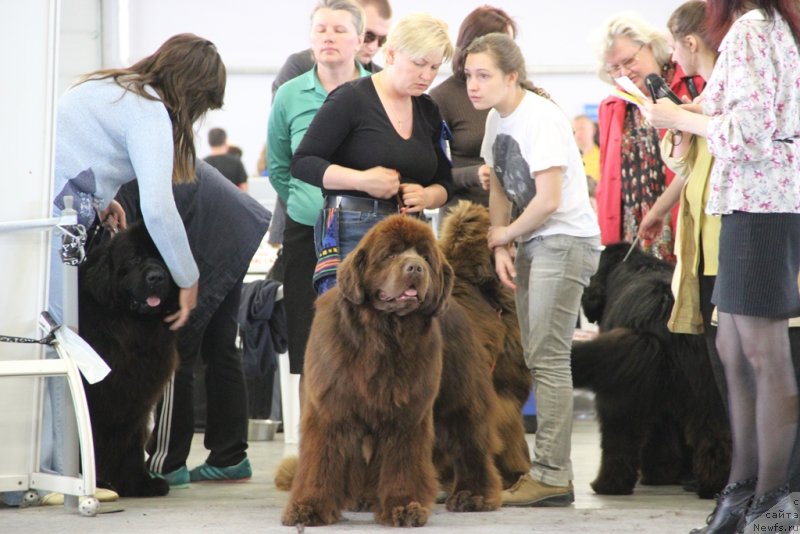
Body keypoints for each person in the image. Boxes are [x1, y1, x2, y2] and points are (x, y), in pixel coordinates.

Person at [34, 34, 224, 494]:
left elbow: (72, 155)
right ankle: (61, 476)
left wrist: (104, 199)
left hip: (43, 216)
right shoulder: (150, 111)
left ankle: (49, 469)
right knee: (59, 347)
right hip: (61, 225)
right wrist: (188, 276)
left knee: (38, 343)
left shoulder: (107, 86)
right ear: (190, 92)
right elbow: (158, 209)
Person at [640, 1, 800, 531]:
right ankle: (743, 491)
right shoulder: (764, 30)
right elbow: (728, 114)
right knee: (735, 350)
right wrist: (685, 117)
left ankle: (773, 504)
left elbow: (749, 133)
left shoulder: (755, 30)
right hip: (747, 203)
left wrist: (676, 117)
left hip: (763, 204)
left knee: (762, 354)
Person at [464, 32, 600, 507]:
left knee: (548, 358)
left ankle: (552, 475)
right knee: (538, 355)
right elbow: (499, 186)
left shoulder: (539, 117)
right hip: (533, 242)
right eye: (468, 76)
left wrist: (505, 235)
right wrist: (500, 242)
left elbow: (548, 199)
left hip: (563, 241)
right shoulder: (496, 122)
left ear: (511, 77)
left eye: (484, 76)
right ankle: (547, 472)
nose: (473, 85)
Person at [114, 160, 269, 486]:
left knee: (173, 344)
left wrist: (183, 280)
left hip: (209, 229)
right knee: (221, 343)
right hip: (235, 222)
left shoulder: (117, 173)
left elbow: (149, 227)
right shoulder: (127, 155)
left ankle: (166, 461)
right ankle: (230, 456)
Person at [291, 12, 454, 277]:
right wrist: (361, 180)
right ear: (390, 55)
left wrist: (428, 196)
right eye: (418, 63)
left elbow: (446, 182)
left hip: (411, 233)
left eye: (434, 67)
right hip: (351, 231)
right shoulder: (350, 98)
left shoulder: (428, 109)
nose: (427, 75)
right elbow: (303, 163)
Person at [268, 0, 370, 381]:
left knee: (367, 339)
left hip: (366, 233)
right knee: (310, 345)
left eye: (340, 30)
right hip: (305, 232)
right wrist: (305, 201)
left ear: (360, 40)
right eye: (321, 29)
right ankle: (313, 440)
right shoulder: (290, 94)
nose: (329, 37)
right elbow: (279, 166)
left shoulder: (378, 88)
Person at [637, 0, 727, 417]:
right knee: (721, 365)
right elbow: (686, 166)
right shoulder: (706, 96)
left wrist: (684, 120)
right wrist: (679, 127)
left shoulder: (729, 96)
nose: (672, 56)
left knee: (740, 366)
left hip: (733, 246)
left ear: (691, 41)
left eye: (674, 46)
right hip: (704, 251)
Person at [594, 13, 703, 261]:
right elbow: (608, 177)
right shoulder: (611, 105)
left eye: (629, 61)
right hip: (634, 229)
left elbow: (697, 162)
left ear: (652, 46)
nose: (624, 73)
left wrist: (659, 210)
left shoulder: (692, 86)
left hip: (679, 218)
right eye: (614, 68)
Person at [429, 6, 517, 213]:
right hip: (465, 221)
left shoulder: (518, 93)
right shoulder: (441, 98)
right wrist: (474, 174)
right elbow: (431, 173)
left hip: (518, 218)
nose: (507, 53)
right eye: (501, 44)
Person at [270, 0, 391, 95]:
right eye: (369, 36)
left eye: (382, 40)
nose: (373, 46)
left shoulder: (382, 79)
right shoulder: (299, 66)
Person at [203, 127, 248, 191]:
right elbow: (243, 187)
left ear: (209, 142)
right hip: (233, 200)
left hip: (210, 200)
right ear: (225, 140)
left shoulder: (203, 164)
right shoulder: (236, 162)